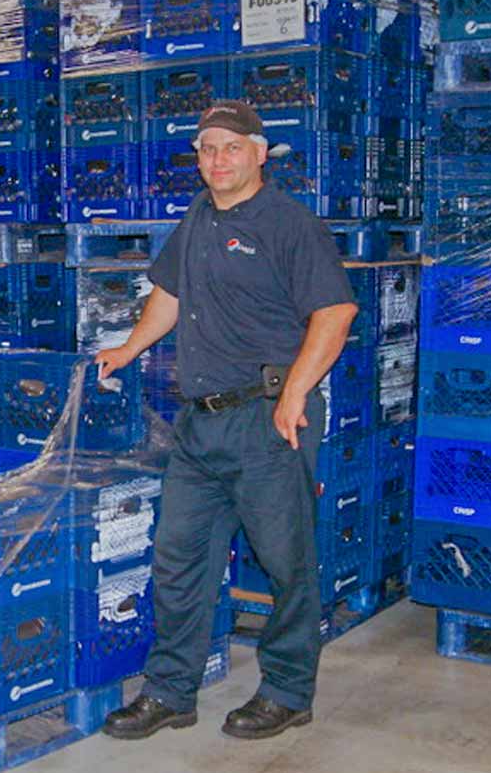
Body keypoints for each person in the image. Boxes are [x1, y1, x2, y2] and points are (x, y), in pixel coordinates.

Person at [97, 101, 358, 740]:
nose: (217, 160)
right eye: (207, 149)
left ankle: (288, 691)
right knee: (178, 560)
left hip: (268, 419)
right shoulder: (199, 217)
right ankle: (170, 692)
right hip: (199, 423)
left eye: (232, 148)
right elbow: (171, 292)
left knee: (285, 561)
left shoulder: (289, 223)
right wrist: (129, 348)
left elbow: (335, 312)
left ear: (260, 154)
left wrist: (295, 394)